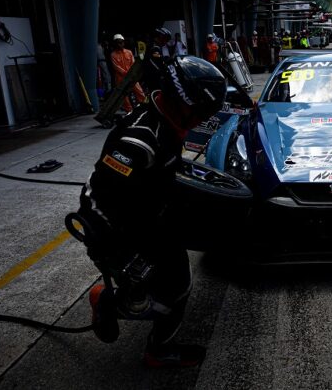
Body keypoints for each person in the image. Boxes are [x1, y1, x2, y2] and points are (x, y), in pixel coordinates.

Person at [79, 56, 226, 367]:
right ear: (183, 102)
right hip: (112, 229)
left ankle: (154, 338)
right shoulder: (139, 142)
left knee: (179, 275)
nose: (202, 119)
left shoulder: (167, 119)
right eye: (201, 112)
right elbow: (102, 201)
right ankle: (113, 307)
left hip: (144, 214)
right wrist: (124, 253)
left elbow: (158, 180)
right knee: (173, 291)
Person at [110, 34, 146, 112]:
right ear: (115, 43)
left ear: (123, 42)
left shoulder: (129, 52)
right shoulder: (113, 55)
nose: (120, 44)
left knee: (139, 92)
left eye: (121, 42)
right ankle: (129, 111)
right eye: (118, 43)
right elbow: (116, 67)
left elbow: (133, 63)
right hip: (121, 78)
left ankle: (145, 106)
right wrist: (127, 73)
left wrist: (131, 73)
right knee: (123, 96)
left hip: (131, 76)